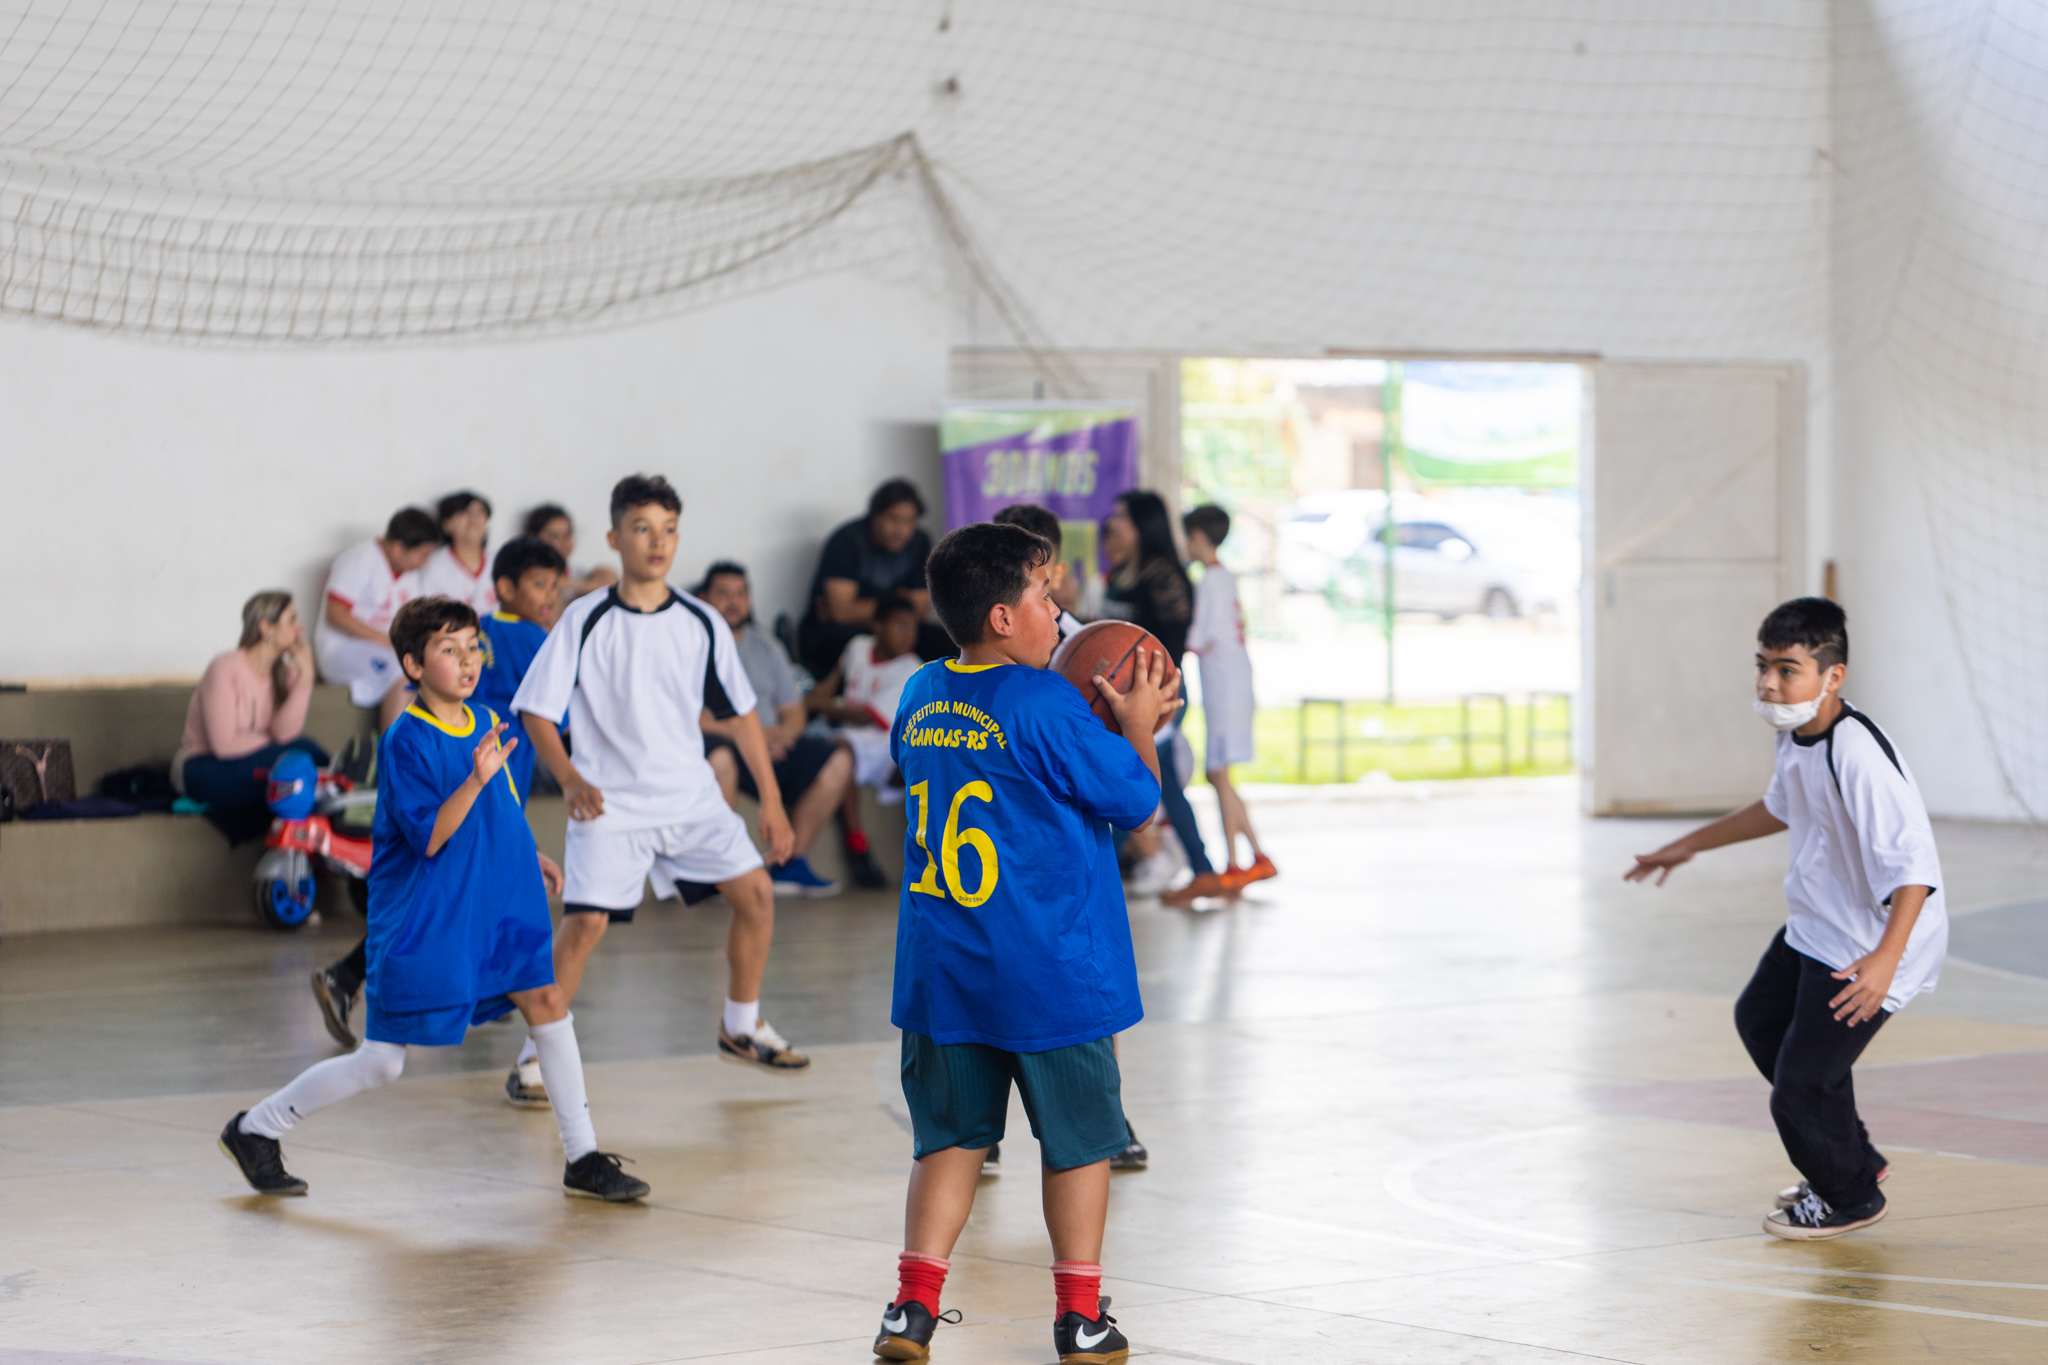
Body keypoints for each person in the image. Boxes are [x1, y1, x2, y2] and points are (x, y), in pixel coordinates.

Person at [218, 596, 649, 1204]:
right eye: (449, 650)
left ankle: (581, 1156)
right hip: (428, 918)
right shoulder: (406, 740)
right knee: (382, 1063)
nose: (468, 660)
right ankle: (256, 1128)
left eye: (473, 647)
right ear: (413, 666)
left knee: (548, 1000)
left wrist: (528, 853)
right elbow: (434, 835)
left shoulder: (485, 720)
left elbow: (499, 803)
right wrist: (475, 778)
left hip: (497, 901)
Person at [870, 521, 1175, 1365]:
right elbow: (1135, 798)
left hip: (944, 971)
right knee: (1079, 1144)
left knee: (952, 1141)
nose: (1060, 607)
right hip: (1051, 971)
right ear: (1005, 617)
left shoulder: (921, 693)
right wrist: (1138, 718)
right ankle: (1081, 1318)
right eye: (1046, 594)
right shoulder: (1043, 703)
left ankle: (912, 1310)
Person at [1625, 597, 1946, 1241]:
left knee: (1799, 1085)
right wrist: (1690, 844)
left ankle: (1850, 1196)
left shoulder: (1858, 756)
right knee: (1760, 1022)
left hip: (1868, 947)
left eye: (1787, 669)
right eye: (1762, 665)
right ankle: (1851, 1159)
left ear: (1833, 676)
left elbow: (1915, 869)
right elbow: (1779, 807)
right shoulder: (1795, 734)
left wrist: (1885, 962)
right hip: (1815, 928)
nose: (1770, 683)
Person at [511, 474, 810, 1075]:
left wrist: (772, 801)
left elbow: (744, 716)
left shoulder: (701, 621)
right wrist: (569, 778)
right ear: (615, 538)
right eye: (642, 529)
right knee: (586, 922)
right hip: (610, 803)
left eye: (668, 530)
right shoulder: (584, 618)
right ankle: (532, 1060)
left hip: (690, 797)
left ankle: (740, 1024)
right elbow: (537, 712)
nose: (657, 542)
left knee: (755, 894)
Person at [309, 536, 569, 1056]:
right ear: (505, 588)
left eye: (557, 586)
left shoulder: (485, 643)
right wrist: (570, 774)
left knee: (457, 899)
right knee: (436, 895)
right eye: (540, 584)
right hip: (471, 771)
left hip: (486, 777)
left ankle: (350, 977)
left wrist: (521, 848)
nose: (550, 595)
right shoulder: (528, 642)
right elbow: (548, 710)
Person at [696, 560, 853, 898]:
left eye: (740, 593)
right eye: (723, 594)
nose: (733, 601)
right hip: (720, 744)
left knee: (838, 758)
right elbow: (684, 715)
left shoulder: (766, 646)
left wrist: (783, 736)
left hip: (770, 746)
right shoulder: (690, 644)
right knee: (720, 757)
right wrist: (748, 735)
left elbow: (794, 711)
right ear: (704, 597)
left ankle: (789, 862)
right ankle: (721, 869)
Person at [1101, 490, 1225, 907]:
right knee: (1137, 781)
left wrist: (1154, 693)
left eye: (1122, 516)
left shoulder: (1163, 573)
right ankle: (1202, 869)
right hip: (1121, 695)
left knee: (1158, 784)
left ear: (1143, 524)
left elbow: (1173, 639)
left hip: (1157, 694)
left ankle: (1203, 870)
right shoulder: (1122, 570)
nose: (1114, 522)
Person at [174, 591, 327, 844]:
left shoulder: (284, 672)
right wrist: (273, 742)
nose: (299, 627)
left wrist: (305, 680)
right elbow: (224, 746)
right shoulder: (224, 668)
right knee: (304, 754)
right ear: (266, 628)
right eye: (292, 620)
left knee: (302, 760)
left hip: (249, 764)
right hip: (207, 769)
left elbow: (285, 735)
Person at [1182, 505, 1276, 892]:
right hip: (1229, 683)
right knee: (1219, 774)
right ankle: (1250, 858)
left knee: (1218, 774)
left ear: (1199, 537)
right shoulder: (1222, 578)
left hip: (1226, 687)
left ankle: (1243, 861)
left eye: (1187, 537)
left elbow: (1199, 637)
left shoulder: (1211, 581)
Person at [806, 592, 923, 889]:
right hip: (848, 730)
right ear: (877, 626)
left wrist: (818, 705)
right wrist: (810, 698)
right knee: (828, 743)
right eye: (900, 627)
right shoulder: (858, 646)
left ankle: (857, 844)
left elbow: (865, 717)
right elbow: (832, 683)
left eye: (913, 628)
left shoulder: (910, 667)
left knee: (843, 748)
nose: (909, 635)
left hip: (885, 743)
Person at [797, 478, 947, 677]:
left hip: (893, 628)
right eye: (893, 519)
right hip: (834, 633)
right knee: (861, 644)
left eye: (909, 521)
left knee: (942, 641)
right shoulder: (846, 541)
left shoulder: (919, 542)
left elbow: (918, 610)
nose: (900, 530)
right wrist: (898, 599)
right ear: (875, 516)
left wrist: (862, 607)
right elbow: (841, 612)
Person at [316, 506, 439, 729]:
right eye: (421, 554)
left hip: (383, 650)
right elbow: (336, 614)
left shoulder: (412, 576)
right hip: (342, 648)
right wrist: (388, 641)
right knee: (404, 670)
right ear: (398, 547)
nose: (424, 562)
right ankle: (390, 758)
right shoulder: (360, 559)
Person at [993, 504, 1085, 638]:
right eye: (1008, 570)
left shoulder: (1080, 641)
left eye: (1036, 574)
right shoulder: (966, 634)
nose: (1020, 582)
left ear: (1058, 574)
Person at [418, 490, 498, 615]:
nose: (473, 519)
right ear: (446, 525)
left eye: (480, 512)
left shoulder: (500, 561)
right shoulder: (433, 566)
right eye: (464, 513)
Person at [525, 503, 618, 604]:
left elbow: (611, 584)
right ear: (534, 538)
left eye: (568, 534)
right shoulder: (525, 575)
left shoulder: (576, 573)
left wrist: (564, 584)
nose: (563, 542)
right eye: (554, 536)